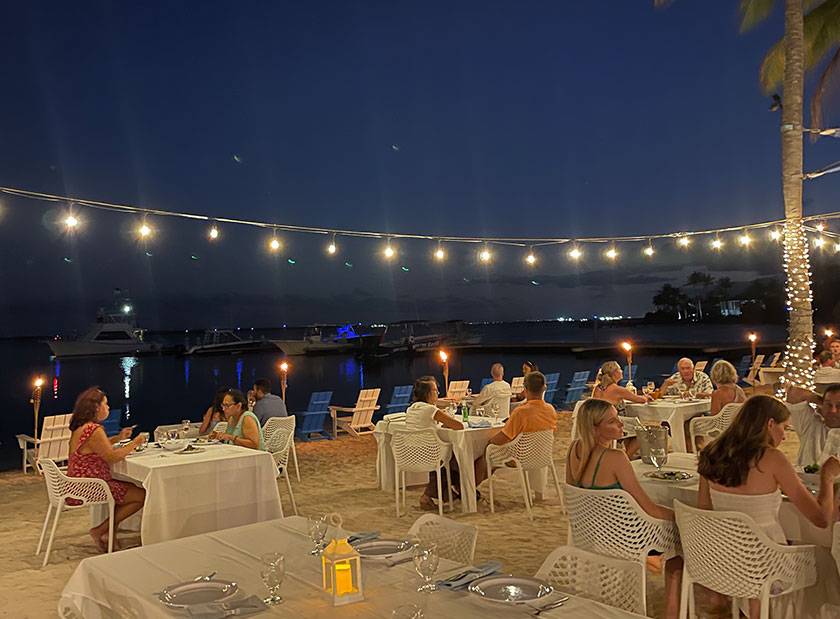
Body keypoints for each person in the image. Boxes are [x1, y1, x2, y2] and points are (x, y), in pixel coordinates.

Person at [698, 395, 840, 619]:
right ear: (770, 424)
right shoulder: (772, 458)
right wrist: (828, 477)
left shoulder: (711, 453)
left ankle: (753, 610)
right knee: (824, 559)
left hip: (724, 561)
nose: (785, 436)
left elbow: (704, 510)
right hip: (765, 565)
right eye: (784, 428)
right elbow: (822, 519)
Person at [566, 398, 682, 619]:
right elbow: (648, 508)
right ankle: (672, 613)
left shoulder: (574, 450)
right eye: (612, 421)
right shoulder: (616, 458)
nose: (620, 425)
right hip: (625, 537)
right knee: (681, 542)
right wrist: (680, 516)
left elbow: (574, 494)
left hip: (592, 534)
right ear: (595, 428)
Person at [67, 387, 147, 552]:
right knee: (141, 496)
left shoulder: (82, 427)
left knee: (127, 490)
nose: (108, 408)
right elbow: (112, 457)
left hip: (76, 483)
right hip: (91, 486)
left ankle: (109, 532)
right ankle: (101, 530)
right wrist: (135, 443)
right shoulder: (94, 430)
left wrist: (118, 438)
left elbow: (96, 447)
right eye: (106, 404)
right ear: (96, 407)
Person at [405, 376, 466, 510]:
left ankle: (450, 494)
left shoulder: (411, 409)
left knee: (445, 459)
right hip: (429, 456)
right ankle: (456, 490)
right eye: (435, 390)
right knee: (455, 455)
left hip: (408, 455)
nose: (438, 393)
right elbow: (458, 426)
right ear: (427, 393)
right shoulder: (431, 410)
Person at [786, 384, 840, 466]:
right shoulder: (811, 422)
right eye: (828, 405)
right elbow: (794, 393)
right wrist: (821, 400)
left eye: (839, 406)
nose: (833, 410)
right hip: (802, 477)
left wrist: (827, 402)